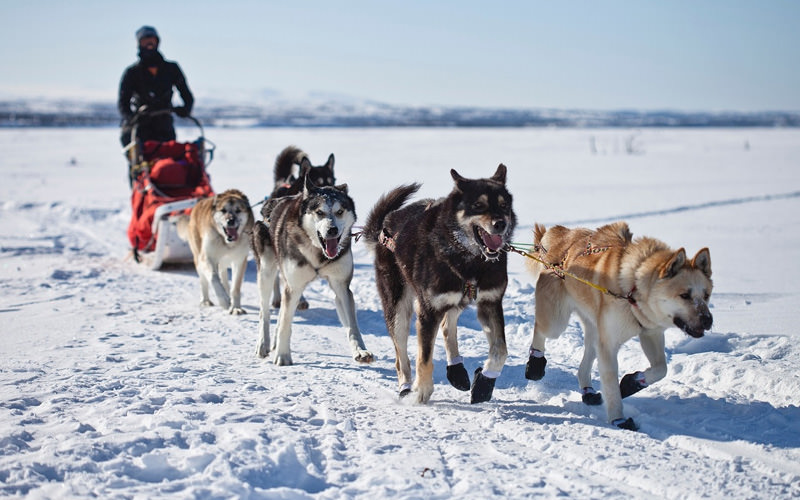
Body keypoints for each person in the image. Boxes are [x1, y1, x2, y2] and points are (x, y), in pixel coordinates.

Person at [118, 26, 194, 147]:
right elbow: (123, 102)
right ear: (139, 43)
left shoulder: (171, 69)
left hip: (165, 128)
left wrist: (185, 109)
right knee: (142, 163)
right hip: (141, 128)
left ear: (157, 42)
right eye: (145, 41)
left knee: (168, 162)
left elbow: (187, 95)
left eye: (152, 40)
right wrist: (132, 118)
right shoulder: (132, 72)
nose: (149, 44)